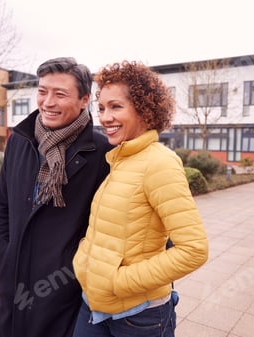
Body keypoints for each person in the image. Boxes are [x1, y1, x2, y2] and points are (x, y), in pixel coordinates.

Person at [72, 60, 209, 337]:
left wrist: (118, 280)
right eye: (101, 108)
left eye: (116, 106)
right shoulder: (120, 158)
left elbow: (194, 250)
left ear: (144, 110)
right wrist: (84, 259)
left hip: (139, 315)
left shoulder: (160, 162)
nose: (105, 117)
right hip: (94, 305)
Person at [0, 57, 113, 337]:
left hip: (61, 288)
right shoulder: (19, 140)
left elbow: (109, 223)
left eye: (60, 94)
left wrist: (74, 269)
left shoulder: (102, 151)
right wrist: (3, 255)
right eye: (43, 91)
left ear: (84, 100)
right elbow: (1, 205)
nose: (47, 102)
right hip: (14, 277)